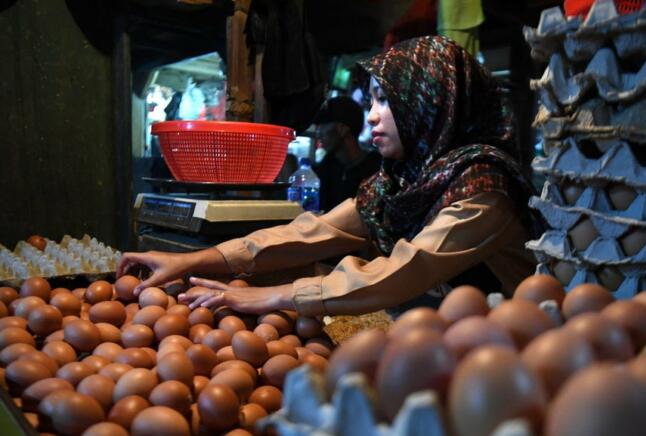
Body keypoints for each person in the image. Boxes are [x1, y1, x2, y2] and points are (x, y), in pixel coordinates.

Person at [117, 36, 541, 317]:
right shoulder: (403, 183)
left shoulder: (484, 187)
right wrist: (188, 261)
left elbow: (406, 270)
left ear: (431, 103)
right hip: (448, 337)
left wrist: (272, 295)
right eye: (372, 100)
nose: (372, 115)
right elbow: (311, 232)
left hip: (506, 351)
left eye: (386, 101)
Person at [313, 96, 382, 211]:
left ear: (342, 129)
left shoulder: (376, 169)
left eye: (322, 125)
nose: (318, 133)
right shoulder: (327, 166)